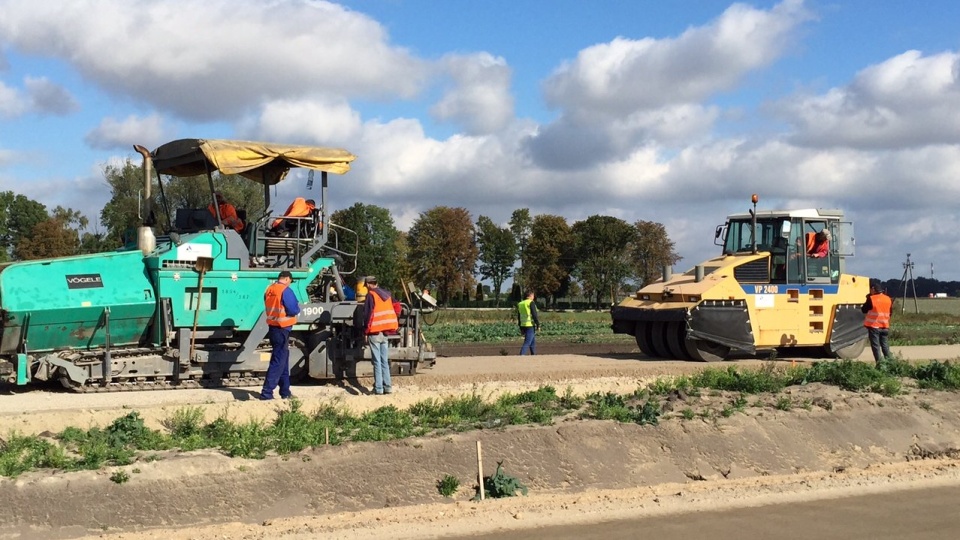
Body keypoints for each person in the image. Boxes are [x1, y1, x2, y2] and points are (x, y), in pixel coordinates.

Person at [259, 270, 301, 400]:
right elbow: (293, 309)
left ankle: (285, 392)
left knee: (283, 360)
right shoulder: (285, 290)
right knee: (278, 361)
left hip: (273, 327)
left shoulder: (270, 289)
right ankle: (266, 393)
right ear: (287, 279)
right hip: (283, 329)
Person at [361, 276, 399, 395]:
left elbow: (367, 314)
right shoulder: (387, 294)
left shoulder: (371, 295)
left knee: (376, 361)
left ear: (368, 284)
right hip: (386, 332)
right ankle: (388, 387)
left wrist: (365, 332)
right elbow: (397, 306)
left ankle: (378, 389)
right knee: (384, 361)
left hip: (375, 332)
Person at [861, 280, 892, 365]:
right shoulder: (888, 299)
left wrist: (868, 298)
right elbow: (890, 313)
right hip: (885, 326)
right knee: (885, 346)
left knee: (876, 347)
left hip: (874, 326)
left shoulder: (872, 299)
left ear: (873, 289)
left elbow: (864, 309)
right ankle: (891, 363)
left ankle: (880, 365)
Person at [517, 291, 540, 355]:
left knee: (532, 341)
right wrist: (538, 324)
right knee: (527, 342)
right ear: (530, 295)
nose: (534, 297)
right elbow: (534, 314)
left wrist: (520, 327)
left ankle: (533, 354)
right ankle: (521, 355)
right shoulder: (531, 302)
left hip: (523, 325)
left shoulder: (520, 303)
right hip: (530, 325)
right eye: (533, 295)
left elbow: (519, 316)